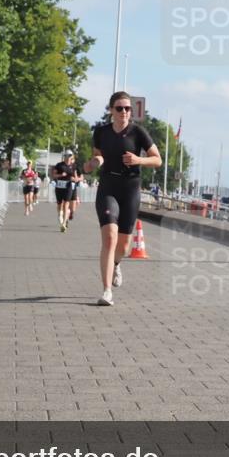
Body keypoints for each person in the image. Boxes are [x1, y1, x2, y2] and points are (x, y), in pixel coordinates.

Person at [84, 91, 162, 306]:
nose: (124, 112)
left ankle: (117, 264)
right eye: (119, 108)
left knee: (124, 245)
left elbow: (157, 160)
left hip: (130, 189)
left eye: (128, 108)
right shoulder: (101, 132)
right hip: (108, 186)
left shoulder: (138, 132)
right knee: (110, 237)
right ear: (111, 110)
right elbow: (98, 154)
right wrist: (95, 162)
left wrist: (139, 160)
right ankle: (106, 291)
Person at [51, 149, 79, 232]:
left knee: (66, 204)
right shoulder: (59, 165)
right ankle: (60, 214)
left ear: (71, 156)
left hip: (68, 186)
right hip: (59, 187)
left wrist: (74, 179)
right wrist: (60, 175)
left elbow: (76, 178)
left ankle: (63, 224)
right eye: (66, 156)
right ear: (64, 156)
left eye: (69, 156)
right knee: (60, 204)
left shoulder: (73, 166)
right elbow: (54, 175)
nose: (68, 157)